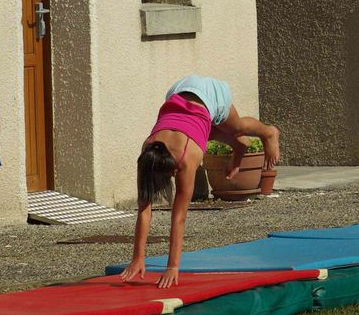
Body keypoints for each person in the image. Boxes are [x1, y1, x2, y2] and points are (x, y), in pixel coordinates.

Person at [120, 75, 280, 288]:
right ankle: (238, 146)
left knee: (237, 127)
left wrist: (172, 267)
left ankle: (268, 133)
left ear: (174, 169)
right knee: (206, 130)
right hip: (179, 91)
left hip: (208, 95)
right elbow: (144, 209)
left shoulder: (186, 159)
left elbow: (179, 218)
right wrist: (138, 258)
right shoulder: (149, 152)